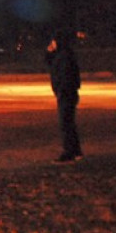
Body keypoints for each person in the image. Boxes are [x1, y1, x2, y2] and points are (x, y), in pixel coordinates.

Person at [46, 29, 83, 163]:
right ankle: (76, 151)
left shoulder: (64, 56)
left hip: (66, 93)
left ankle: (69, 152)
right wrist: (49, 52)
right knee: (69, 123)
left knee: (66, 124)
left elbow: (66, 76)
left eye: (54, 41)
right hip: (67, 93)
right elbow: (49, 63)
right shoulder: (62, 54)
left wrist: (61, 90)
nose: (52, 43)